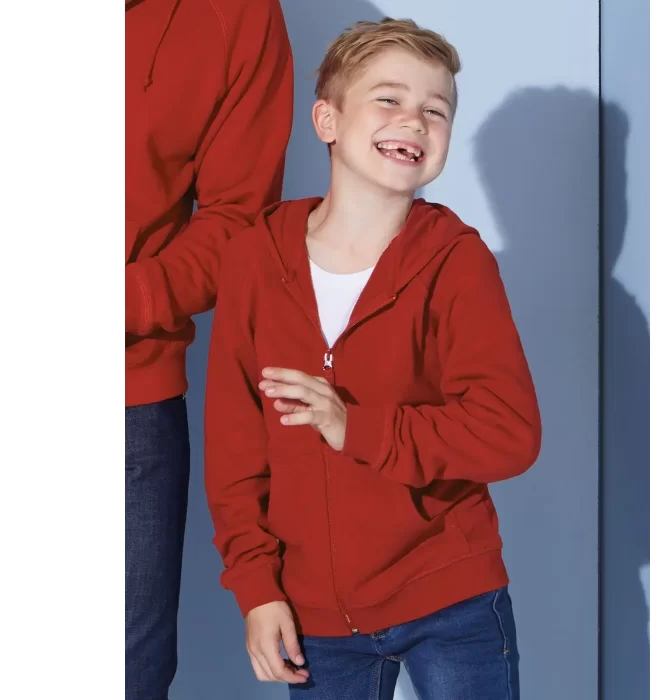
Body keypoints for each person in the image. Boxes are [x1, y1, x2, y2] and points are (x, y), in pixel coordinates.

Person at [204, 17, 540, 700]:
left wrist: (355, 427)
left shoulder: (455, 261)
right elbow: (233, 447)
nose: (414, 120)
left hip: (451, 598)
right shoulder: (255, 259)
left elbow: (509, 432)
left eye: (436, 110)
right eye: (389, 99)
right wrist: (256, 588)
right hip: (316, 619)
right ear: (327, 120)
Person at [125, 0, 293, 697]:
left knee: (126, 675)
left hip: (128, 395)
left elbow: (239, 218)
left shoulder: (238, 12)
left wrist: (127, 298)